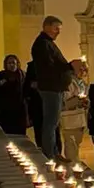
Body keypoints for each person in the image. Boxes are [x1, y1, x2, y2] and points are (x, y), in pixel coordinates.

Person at [30, 16, 71, 160]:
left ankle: (54, 151)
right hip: (50, 87)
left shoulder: (48, 43)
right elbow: (50, 66)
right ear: (46, 27)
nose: (58, 32)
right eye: (56, 28)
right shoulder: (42, 44)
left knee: (54, 122)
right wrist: (70, 66)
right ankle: (49, 154)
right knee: (50, 122)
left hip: (56, 87)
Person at [0, 55, 29, 135]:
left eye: (13, 63)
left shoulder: (23, 76)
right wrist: (0, 84)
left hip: (19, 111)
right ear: (6, 64)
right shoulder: (0, 76)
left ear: (17, 64)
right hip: (4, 111)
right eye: (9, 63)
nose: (12, 65)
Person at [59, 59, 89, 163]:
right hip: (69, 119)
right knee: (70, 145)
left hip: (80, 119)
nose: (83, 72)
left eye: (84, 69)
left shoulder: (83, 83)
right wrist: (78, 100)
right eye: (80, 69)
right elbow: (64, 102)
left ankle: (76, 164)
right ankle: (72, 167)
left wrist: (85, 103)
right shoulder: (67, 82)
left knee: (77, 144)